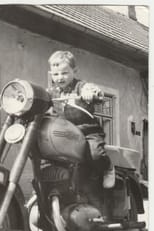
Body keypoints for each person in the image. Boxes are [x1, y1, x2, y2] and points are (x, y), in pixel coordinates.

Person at [48, 50, 115, 188]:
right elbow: (41, 98)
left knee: (95, 153)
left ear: (74, 71)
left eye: (65, 73)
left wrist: (90, 93)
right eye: (55, 74)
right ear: (51, 74)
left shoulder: (81, 86)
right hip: (65, 134)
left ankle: (107, 168)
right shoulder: (52, 92)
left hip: (87, 131)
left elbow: (94, 90)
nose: (60, 77)